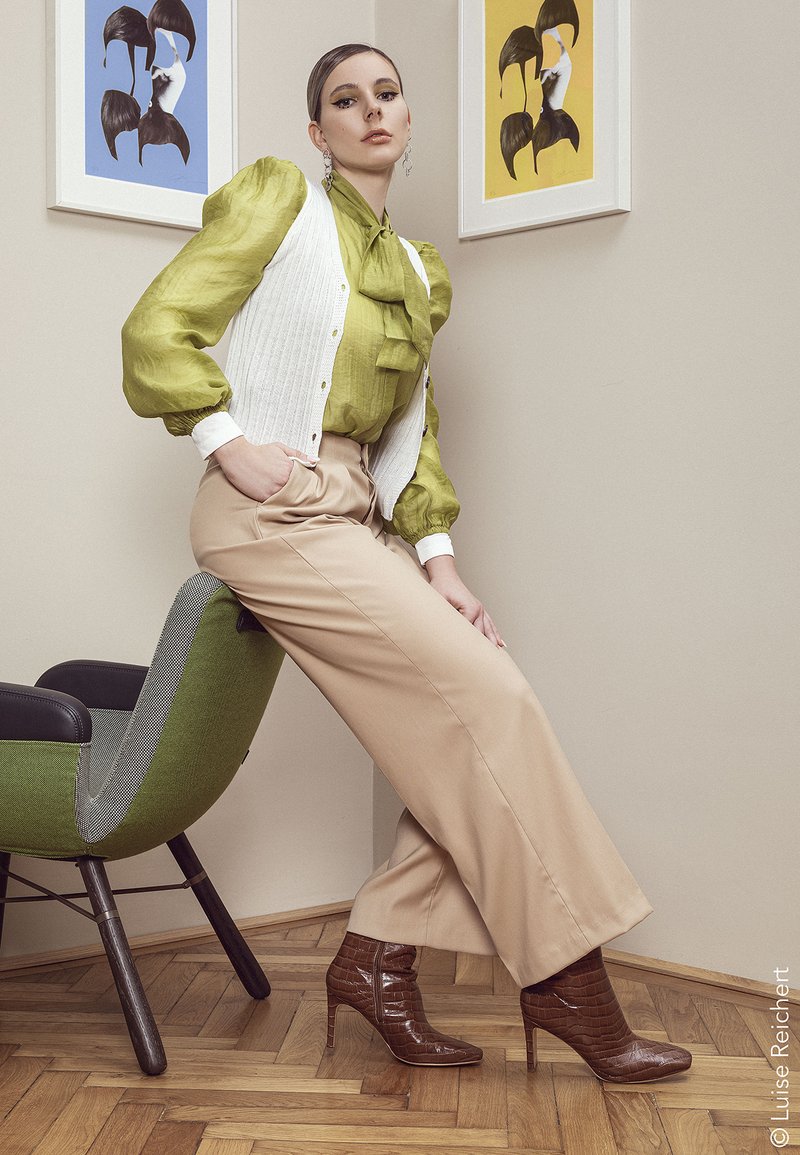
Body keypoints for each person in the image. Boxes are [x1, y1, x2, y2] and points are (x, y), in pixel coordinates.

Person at [121, 43, 692, 1083]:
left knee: (467, 732)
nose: (370, 111)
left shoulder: (417, 270)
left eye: (386, 94)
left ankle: (375, 961)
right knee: (493, 705)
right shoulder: (278, 199)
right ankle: (567, 978)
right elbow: (160, 325)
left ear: (407, 117)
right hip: (272, 512)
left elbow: (407, 435)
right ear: (318, 130)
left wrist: (437, 557)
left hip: (356, 516)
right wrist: (223, 441)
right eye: (345, 100)